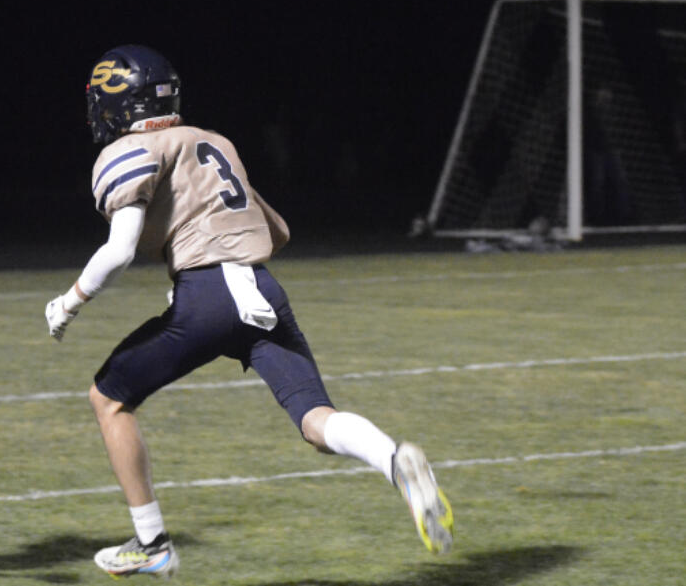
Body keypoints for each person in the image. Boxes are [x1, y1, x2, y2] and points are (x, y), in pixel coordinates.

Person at [44, 45, 454, 578]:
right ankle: (393, 459)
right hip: (261, 290)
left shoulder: (131, 152)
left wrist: (70, 301)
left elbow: (119, 251)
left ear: (120, 103)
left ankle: (153, 544)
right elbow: (277, 230)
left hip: (211, 296)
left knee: (108, 399)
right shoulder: (215, 142)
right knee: (313, 420)